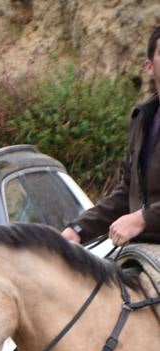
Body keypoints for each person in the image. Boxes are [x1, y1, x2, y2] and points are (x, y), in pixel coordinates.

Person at [62, 26, 160, 247]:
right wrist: (77, 229)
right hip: (142, 248)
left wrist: (142, 219)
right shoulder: (142, 118)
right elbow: (128, 190)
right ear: (149, 67)